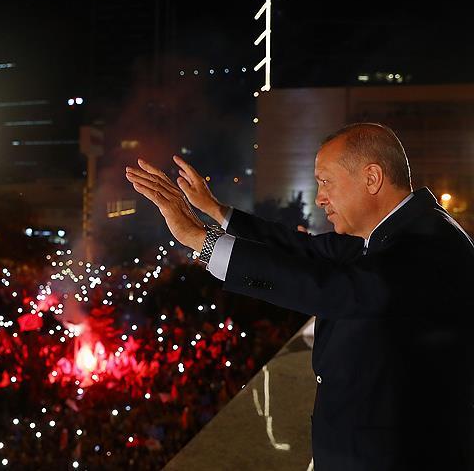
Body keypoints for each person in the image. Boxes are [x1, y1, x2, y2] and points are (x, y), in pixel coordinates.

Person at [125, 123, 474, 470]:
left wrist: (200, 240)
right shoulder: (394, 232)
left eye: (325, 181)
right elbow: (300, 249)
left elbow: (332, 288)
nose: (320, 197)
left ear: (372, 178)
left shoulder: (429, 245)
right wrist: (215, 211)